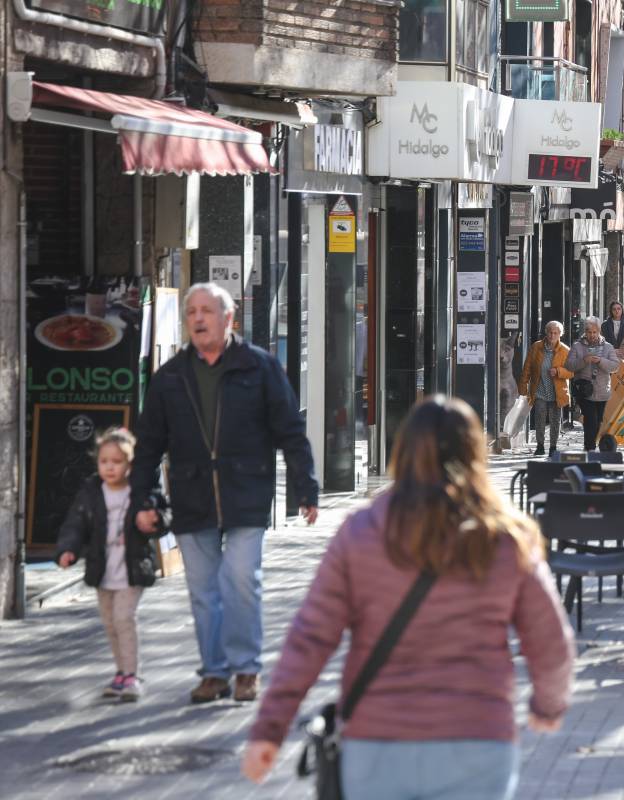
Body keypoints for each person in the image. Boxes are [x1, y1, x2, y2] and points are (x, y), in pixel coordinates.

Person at [242, 396, 575, 798]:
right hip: (477, 739)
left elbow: (310, 637)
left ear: (403, 450)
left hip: (377, 741)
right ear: (475, 453)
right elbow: (550, 640)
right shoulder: (507, 539)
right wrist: (548, 706)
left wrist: (270, 730)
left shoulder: (361, 532)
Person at [131, 283, 319, 705]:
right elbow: (147, 446)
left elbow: (290, 431)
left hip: (246, 493)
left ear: (229, 318)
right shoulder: (171, 377)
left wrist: (306, 488)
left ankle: (247, 669)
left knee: (240, 579)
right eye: (191, 312)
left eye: (207, 311)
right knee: (203, 589)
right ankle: (214, 672)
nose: (198, 319)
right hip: (191, 494)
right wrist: (142, 500)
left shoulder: (260, 368)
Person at [56, 428, 169, 702]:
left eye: (117, 461)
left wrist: (154, 521)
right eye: (104, 461)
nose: (109, 467)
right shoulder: (91, 491)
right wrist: (67, 549)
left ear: (130, 464)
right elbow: (75, 523)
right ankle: (120, 673)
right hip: (102, 568)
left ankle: (131, 676)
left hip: (132, 567)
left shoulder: (140, 491)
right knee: (109, 623)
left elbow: (164, 517)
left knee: (123, 618)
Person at [518, 321, 573, 456]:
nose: (552, 335)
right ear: (546, 332)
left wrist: (559, 371)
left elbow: (572, 372)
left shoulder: (565, 350)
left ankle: (553, 447)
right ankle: (540, 445)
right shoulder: (536, 347)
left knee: (555, 420)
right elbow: (527, 368)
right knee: (540, 418)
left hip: (557, 392)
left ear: (560, 334)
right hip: (540, 390)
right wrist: (523, 387)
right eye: (550, 332)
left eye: (555, 333)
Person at [566, 317, 621, 451]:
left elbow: (615, 366)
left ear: (599, 332)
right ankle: (590, 447)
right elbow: (569, 365)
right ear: (585, 332)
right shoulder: (577, 346)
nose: (592, 335)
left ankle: (589, 444)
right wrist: (584, 360)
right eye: (589, 332)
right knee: (591, 419)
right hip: (584, 391)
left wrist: (601, 361)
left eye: (594, 332)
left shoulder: (608, 347)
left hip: (602, 391)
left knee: (598, 422)